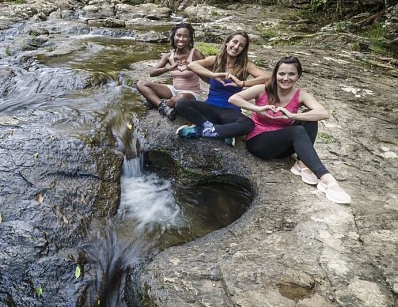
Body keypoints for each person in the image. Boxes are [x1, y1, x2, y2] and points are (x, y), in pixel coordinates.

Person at [228, 55, 351, 204]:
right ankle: (327, 180)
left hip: (283, 145)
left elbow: (323, 113)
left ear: (298, 76)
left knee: (310, 119)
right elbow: (234, 98)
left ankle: (302, 164)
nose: (286, 78)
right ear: (275, 75)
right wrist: (258, 108)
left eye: (291, 74)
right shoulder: (263, 89)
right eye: (282, 73)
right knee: (297, 131)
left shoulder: (301, 95)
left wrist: (293, 115)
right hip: (260, 143)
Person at [174, 31, 268, 144]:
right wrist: (212, 75)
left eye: (241, 45)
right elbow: (192, 65)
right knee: (181, 103)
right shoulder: (215, 59)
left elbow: (267, 78)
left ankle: (203, 131)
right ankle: (221, 131)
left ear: (244, 49)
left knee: (248, 124)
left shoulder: (246, 65)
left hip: (230, 111)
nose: (236, 47)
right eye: (235, 42)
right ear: (227, 42)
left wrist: (242, 83)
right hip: (209, 108)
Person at [136, 23, 205, 120]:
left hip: (191, 94)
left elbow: (209, 72)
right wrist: (168, 68)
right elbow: (152, 73)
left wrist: (194, 68)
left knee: (180, 99)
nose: (181, 39)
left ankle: (158, 103)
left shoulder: (195, 54)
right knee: (141, 83)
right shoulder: (169, 56)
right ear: (173, 36)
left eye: (185, 36)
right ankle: (162, 106)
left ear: (189, 39)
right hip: (173, 91)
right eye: (178, 35)